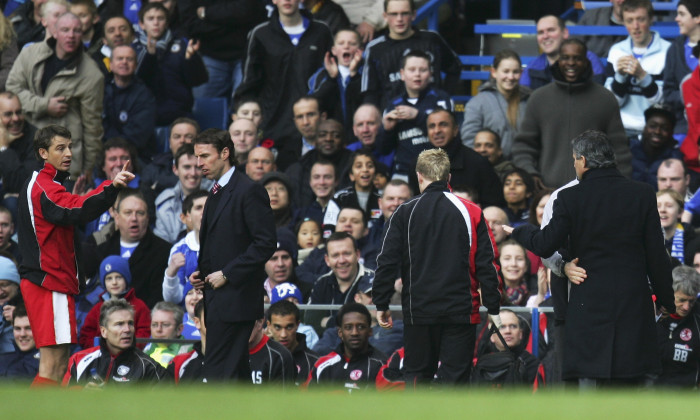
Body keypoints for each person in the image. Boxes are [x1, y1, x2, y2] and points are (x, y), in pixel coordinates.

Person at [507, 129, 676, 387]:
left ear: (583, 161)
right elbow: (657, 255)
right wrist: (666, 301)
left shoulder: (570, 197)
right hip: (633, 303)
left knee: (592, 387)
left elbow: (544, 243)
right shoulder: (642, 193)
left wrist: (521, 231)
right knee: (632, 389)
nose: (574, 164)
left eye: (575, 159)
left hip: (589, 304)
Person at [373, 148, 502, 386]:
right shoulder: (471, 211)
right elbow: (488, 262)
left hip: (418, 311)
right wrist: (493, 305)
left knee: (417, 379)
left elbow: (386, 261)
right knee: (455, 382)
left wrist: (381, 302)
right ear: (448, 177)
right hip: (461, 312)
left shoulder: (404, 212)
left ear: (419, 176)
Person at [17, 124, 134, 386]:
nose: (69, 153)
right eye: (61, 148)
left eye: (70, 146)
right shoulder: (45, 187)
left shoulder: (46, 184)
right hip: (48, 282)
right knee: (53, 365)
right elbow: (77, 208)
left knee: (57, 364)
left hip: (50, 282)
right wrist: (111, 187)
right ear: (43, 153)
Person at [189, 128, 276, 382]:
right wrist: (202, 273)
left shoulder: (249, 191)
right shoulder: (216, 192)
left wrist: (227, 273)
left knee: (218, 374)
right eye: (197, 157)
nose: (199, 163)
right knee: (235, 375)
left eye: (205, 156)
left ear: (225, 153)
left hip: (236, 301)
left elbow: (266, 243)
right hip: (219, 300)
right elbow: (223, 244)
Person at [512, 39, 631, 189]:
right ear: (558, 61)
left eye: (577, 58)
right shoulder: (539, 98)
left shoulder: (605, 99)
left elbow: (619, 150)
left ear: (586, 62)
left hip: (594, 191)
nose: (571, 63)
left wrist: (618, 184)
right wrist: (530, 174)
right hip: (548, 193)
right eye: (565, 58)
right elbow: (524, 146)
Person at [234, 0, 333, 171]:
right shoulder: (260, 34)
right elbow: (249, 84)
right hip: (274, 127)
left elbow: (330, 78)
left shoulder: (321, 31)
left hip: (312, 126)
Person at [7, 12, 105, 180]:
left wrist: (87, 169)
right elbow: (11, 89)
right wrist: (43, 105)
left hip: (62, 153)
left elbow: (92, 127)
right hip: (24, 143)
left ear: (82, 34)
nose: (71, 36)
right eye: (65, 30)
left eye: (76, 31)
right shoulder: (31, 53)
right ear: (55, 32)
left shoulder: (92, 74)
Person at [360, 0, 460, 110]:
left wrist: (443, 98)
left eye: (405, 13)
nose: (399, 19)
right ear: (385, 16)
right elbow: (369, 92)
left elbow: (455, 68)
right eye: (394, 14)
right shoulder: (375, 48)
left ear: (413, 15)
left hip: (431, 118)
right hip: (394, 118)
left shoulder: (432, 40)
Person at [378, 50, 453, 180]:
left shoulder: (442, 100)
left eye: (422, 70)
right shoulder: (393, 104)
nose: (417, 74)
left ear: (430, 74)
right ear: (402, 74)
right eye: (412, 70)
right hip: (402, 172)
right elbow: (383, 149)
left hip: (436, 171)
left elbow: (449, 138)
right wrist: (387, 130)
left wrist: (418, 116)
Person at [63, 298, 169, 386]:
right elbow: (63, 400)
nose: (127, 329)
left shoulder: (149, 367)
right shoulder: (78, 361)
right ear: (104, 332)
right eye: (120, 324)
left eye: (130, 323)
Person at [94, 188, 171, 308]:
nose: (134, 218)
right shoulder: (102, 250)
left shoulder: (164, 251)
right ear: (117, 218)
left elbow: (158, 298)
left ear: (147, 218)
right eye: (128, 213)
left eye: (140, 213)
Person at [134, 2, 208, 126]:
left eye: (160, 18)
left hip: (180, 114)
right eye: (151, 19)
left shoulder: (182, 45)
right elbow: (137, 83)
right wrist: (150, 56)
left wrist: (191, 59)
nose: (156, 23)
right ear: (142, 24)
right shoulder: (134, 49)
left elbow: (199, 80)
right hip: (145, 115)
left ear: (167, 23)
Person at [605, 0, 671, 135]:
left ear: (651, 19)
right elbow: (612, 104)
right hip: (620, 128)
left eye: (641, 19)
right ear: (623, 22)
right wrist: (620, 77)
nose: (635, 26)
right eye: (629, 20)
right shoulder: (616, 51)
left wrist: (642, 76)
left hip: (653, 131)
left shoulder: (668, 51)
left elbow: (662, 103)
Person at [179, 0, 266, 101]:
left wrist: (207, 13)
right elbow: (192, 24)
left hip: (245, 56)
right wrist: (234, 24)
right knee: (204, 109)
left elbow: (246, 10)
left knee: (246, 107)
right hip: (209, 55)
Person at [418, 109, 504, 208]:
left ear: (455, 130)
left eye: (443, 125)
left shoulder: (478, 163)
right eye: (432, 126)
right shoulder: (418, 164)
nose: (437, 130)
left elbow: (494, 205)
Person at [461, 49, 531, 160]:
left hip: (520, 170)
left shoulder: (529, 101)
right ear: (494, 72)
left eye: (515, 72)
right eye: (506, 71)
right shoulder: (478, 103)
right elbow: (469, 140)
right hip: (487, 170)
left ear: (521, 73)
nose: (511, 77)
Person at [304, 302, 386, 391]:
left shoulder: (382, 365)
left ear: (370, 331)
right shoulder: (322, 365)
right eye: (348, 327)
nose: (355, 333)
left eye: (361, 327)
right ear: (340, 332)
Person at [78, 255, 150, 349]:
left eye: (119, 277)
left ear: (126, 279)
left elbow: (144, 334)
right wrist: (101, 349)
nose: (114, 282)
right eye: (109, 278)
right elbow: (86, 335)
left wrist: (127, 348)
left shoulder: (139, 306)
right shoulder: (98, 308)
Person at [307, 231, 375, 330]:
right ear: (327, 260)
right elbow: (310, 321)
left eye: (347, 254)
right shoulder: (322, 282)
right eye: (335, 255)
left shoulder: (373, 281)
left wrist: (328, 321)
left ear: (357, 255)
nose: (342, 260)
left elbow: (369, 323)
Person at [102, 45, 157, 162]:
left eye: (129, 59)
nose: (124, 62)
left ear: (136, 65)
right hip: (102, 153)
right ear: (110, 65)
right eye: (120, 58)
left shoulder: (145, 94)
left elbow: (138, 136)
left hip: (136, 155)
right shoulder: (99, 90)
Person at [521, 15, 605, 90]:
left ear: (565, 33)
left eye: (551, 30)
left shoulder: (588, 59)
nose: (545, 36)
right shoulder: (532, 67)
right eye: (540, 32)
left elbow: (597, 95)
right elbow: (524, 99)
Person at [286, 117, 352, 209]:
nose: (328, 139)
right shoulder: (299, 168)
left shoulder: (354, 164)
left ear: (344, 141)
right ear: (315, 140)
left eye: (336, 135)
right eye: (322, 135)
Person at [308, 28, 362, 132]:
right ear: (334, 50)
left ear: (360, 50)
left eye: (352, 43)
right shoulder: (322, 75)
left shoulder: (366, 72)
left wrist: (355, 75)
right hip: (330, 135)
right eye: (341, 43)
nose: (346, 46)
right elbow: (313, 104)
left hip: (359, 136)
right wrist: (331, 79)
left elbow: (367, 101)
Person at [656, 265, 700, 387]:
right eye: (682, 300)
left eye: (691, 301)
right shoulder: (652, 315)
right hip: (649, 397)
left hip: (686, 398)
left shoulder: (698, 321)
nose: (686, 307)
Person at [162, 190, 207, 306]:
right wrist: (171, 273)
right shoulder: (179, 249)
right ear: (188, 217)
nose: (205, 212)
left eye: (208, 206)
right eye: (198, 208)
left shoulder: (229, 244)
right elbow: (172, 299)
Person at [154, 144, 206, 244]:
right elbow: (161, 244)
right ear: (175, 169)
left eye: (198, 167)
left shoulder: (217, 195)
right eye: (187, 167)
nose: (193, 173)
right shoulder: (165, 201)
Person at [0, 93, 41, 220]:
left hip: (23, 207)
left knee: (12, 202)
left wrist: (4, 149)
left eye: (18, 112)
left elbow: (24, 183)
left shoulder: (36, 138)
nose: (16, 118)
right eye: (8, 114)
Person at [664, 0, 700, 136]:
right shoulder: (674, 49)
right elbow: (668, 93)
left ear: (697, 18)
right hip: (682, 126)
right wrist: (690, 97)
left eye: (682, 14)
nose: (676, 18)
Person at [142, 117, 201, 198]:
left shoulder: (208, 168)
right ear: (169, 142)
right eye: (177, 136)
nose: (182, 141)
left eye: (188, 136)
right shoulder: (153, 170)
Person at [266, 299, 319, 386]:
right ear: (269, 325)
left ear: (298, 325)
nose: (283, 335)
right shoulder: (259, 358)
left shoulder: (314, 362)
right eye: (277, 327)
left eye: (289, 327)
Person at [631, 105, 683, 188]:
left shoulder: (676, 157)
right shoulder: (629, 149)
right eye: (653, 126)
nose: (657, 131)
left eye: (664, 128)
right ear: (645, 128)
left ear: (671, 132)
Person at [248, 317, 296, 386]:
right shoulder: (229, 353)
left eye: (246, 323)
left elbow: (283, 395)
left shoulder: (279, 356)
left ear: (260, 322)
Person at [346, 104, 394, 170]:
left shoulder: (394, 151)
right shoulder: (348, 153)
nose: (365, 130)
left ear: (381, 125)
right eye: (360, 125)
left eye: (371, 123)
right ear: (354, 130)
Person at [144, 301, 192, 367]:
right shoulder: (145, 351)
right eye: (154, 325)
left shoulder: (189, 353)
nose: (158, 329)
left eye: (165, 325)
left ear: (179, 329)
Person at [169, 299, 205, 384]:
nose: (217, 321)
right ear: (197, 322)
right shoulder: (179, 363)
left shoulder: (237, 361)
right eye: (211, 315)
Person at [0, 305, 40, 381]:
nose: (22, 334)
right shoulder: (4, 358)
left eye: (29, 328)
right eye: (17, 329)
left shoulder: (49, 362)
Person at [657, 189, 695, 265]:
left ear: (680, 212)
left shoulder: (695, 241)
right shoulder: (644, 240)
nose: (662, 210)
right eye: (657, 206)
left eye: (669, 206)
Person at [0, 255, 20, 354]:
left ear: (16, 284)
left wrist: (19, 315)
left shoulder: (29, 303)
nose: (0, 292)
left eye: (4, 285)